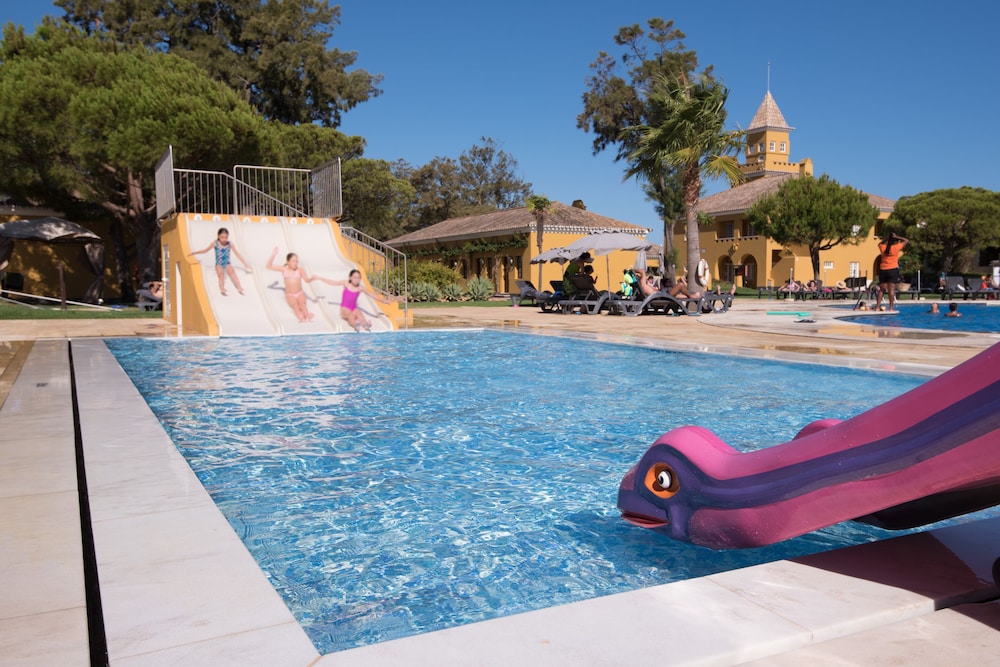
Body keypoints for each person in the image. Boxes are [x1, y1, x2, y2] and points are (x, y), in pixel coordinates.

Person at [319, 268, 395, 332]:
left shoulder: (360, 288)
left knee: (359, 313)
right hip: (344, 309)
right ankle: (355, 325)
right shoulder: (346, 284)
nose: (356, 280)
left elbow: (371, 294)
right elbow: (333, 282)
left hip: (354, 308)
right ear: (350, 278)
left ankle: (365, 324)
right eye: (354, 278)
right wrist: (321, 279)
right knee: (350, 315)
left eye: (358, 278)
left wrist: (383, 301)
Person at [190, 227, 250, 296]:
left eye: (226, 237)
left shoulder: (230, 244)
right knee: (221, 274)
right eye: (222, 237)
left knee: (232, 272)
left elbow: (237, 254)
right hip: (219, 263)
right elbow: (205, 250)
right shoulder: (215, 243)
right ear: (218, 236)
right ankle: (222, 288)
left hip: (227, 262)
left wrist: (246, 265)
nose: (224, 239)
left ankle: (239, 287)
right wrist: (195, 253)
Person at [266, 248, 320, 322]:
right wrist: (273, 255)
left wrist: (312, 278)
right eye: (293, 261)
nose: (295, 263)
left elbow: (307, 280)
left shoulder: (300, 270)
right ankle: (301, 318)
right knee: (295, 305)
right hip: (290, 294)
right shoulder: (284, 269)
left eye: (296, 261)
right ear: (288, 262)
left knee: (303, 305)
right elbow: (268, 266)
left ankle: (307, 317)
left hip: (300, 293)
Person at [875, 232, 909, 311]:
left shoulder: (883, 247)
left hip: (883, 270)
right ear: (895, 242)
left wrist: (888, 237)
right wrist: (897, 236)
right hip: (892, 270)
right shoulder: (896, 247)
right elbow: (906, 240)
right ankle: (891, 308)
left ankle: (877, 307)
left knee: (882, 289)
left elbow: (880, 243)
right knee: (891, 290)